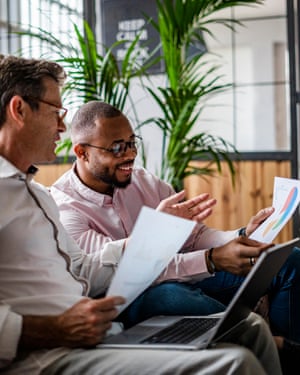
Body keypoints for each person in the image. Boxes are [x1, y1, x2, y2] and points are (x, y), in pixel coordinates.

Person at [0, 54, 282, 375]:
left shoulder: (36, 194)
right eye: (55, 112)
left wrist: (156, 234)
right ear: (19, 109)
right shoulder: (43, 198)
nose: (62, 127)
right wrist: (54, 329)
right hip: (47, 355)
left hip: (97, 336)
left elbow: (80, 270)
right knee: (233, 359)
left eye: (131, 144)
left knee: (252, 329)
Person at [50, 101, 300, 362]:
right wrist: (211, 259)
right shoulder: (65, 209)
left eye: (132, 142)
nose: (130, 154)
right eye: (116, 147)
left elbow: (193, 236)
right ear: (82, 152)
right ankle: (263, 340)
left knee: (288, 260)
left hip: (186, 273)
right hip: (127, 298)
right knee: (169, 295)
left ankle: (290, 356)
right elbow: (125, 272)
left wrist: (239, 236)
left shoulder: (144, 181)